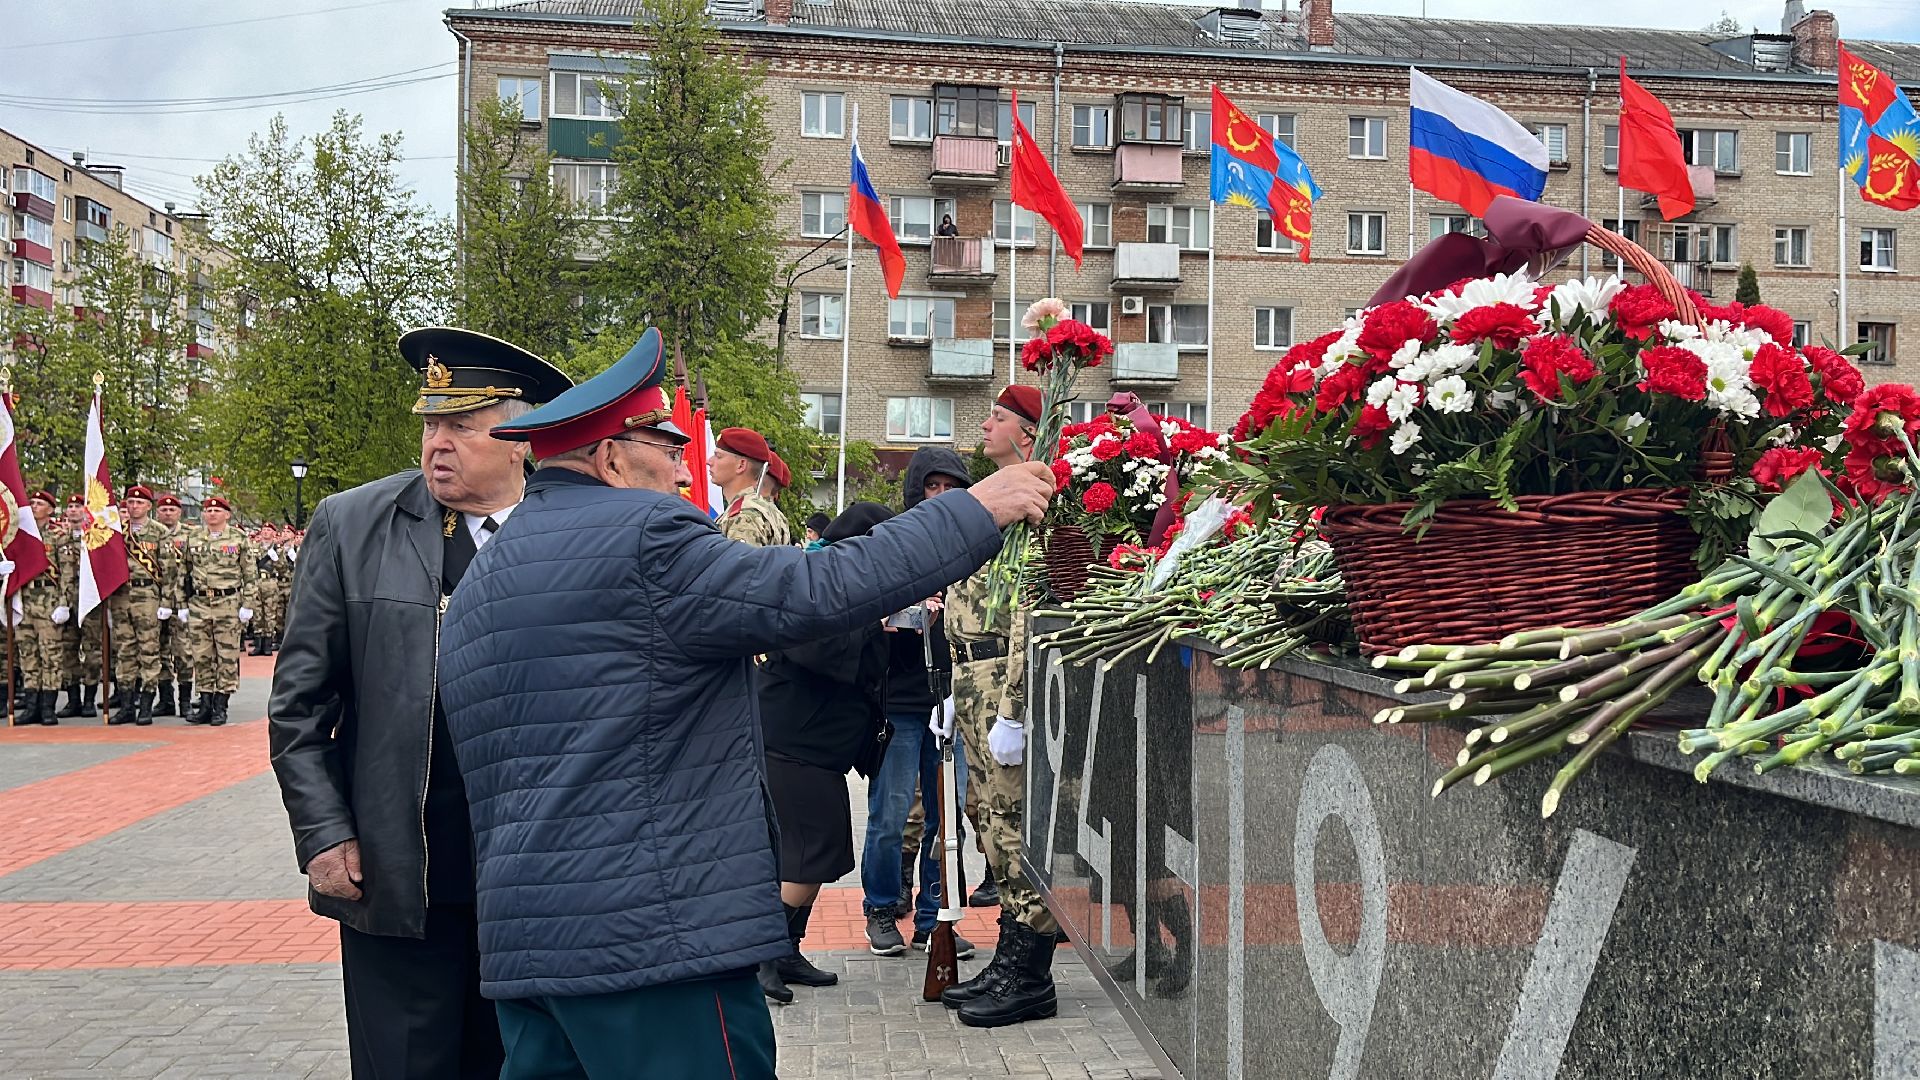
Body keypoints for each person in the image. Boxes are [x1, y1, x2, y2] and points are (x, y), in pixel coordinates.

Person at [433, 328, 1054, 1079]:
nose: (680, 471)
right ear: (610, 455)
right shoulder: (644, 536)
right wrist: (973, 511)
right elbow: (815, 590)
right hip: (658, 950)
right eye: (666, 447)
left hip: (529, 952)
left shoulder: (486, 572)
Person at [268, 327, 572, 1079]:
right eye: (430, 424)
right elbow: (298, 706)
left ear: (521, 435)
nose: (437, 443)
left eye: (461, 425)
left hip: (538, 878)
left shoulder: (571, 529)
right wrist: (324, 833)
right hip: (399, 871)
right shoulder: (353, 524)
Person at [936, 383, 1062, 1028]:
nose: (984, 426)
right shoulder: (994, 503)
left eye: (999, 417)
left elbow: (1030, 615)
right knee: (987, 817)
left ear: (1030, 433)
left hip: (1003, 681)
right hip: (974, 680)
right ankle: (1012, 958)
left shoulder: (1036, 504)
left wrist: (1014, 703)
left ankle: (1029, 972)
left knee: (1014, 823)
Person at [754, 500, 897, 1002]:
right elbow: (815, 650)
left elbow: (869, 669)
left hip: (818, 747)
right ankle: (761, 955)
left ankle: (786, 948)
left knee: (820, 850)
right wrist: (871, 621)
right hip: (792, 740)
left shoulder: (852, 590)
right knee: (808, 852)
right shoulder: (813, 581)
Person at [861, 446, 979, 958]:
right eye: (932, 486)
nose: (941, 496)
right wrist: (903, 612)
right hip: (901, 701)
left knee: (946, 820)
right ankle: (882, 907)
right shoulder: (894, 541)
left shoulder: (976, 544)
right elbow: (865, 606)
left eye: (951, 487)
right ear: (916, 490)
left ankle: (937, 919)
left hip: (951, 702)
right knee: (888, 817)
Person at [180, 496, 257, 727]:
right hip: (200, 603)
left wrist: (247, 605)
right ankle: (204, 702)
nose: (211, 514)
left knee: (226, 655)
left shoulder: (238, 538)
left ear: (227, 514)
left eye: (216, 510)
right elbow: (184, 572)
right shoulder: (193, 537)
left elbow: (250, 574)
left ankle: (221, 705)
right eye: (208, 510)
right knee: (201, 655)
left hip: (227, 602)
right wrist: (182, 604)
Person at [107, 484, 179, 726]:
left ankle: (146, 704)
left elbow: (170, 571)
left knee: (149, 651)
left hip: (147, 595)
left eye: (139, 503)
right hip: (120, 595)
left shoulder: (159, 532)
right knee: (124, 650)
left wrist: (167, 602)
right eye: (130, 502)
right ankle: (127, 705)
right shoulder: (115, 531)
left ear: (149, 506)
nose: (133, 506)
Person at [14, 490, 67, 726]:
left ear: (51, 509)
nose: (34, 506)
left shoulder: (58, 536)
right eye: (32, 503)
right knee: (28, 655)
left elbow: (68, 573)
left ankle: (48, 707)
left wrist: (65, 603)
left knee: (50, 656)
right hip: (24, 598)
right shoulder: (19, 536)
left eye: (39, 503)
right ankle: (31, 704)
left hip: (48, 600)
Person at [55, 495, 101, 720]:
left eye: (78, 506)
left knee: (93, 652)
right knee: (67, 651)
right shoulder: (60, 540)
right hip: (66, 604)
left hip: (90, 604)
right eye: (70, 506)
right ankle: (73, 700)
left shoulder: (94, 540)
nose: (73, 510)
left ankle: (90, 700)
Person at [712, 427, 791, 547]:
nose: (709, 461)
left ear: (741, 465)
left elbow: (740, 564)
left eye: (718, 456)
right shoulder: (759, 509)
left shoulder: (744, 516)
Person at [153, 494, 195, 717]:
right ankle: (165, 698)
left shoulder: (190, 535)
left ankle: (185, 700)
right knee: (159, 650)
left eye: (172, 510)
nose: (167, 513)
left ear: (179, 512)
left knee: (183, 651)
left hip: (180, 603)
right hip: (154, 601)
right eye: (163, 509)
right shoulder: (150, 534)